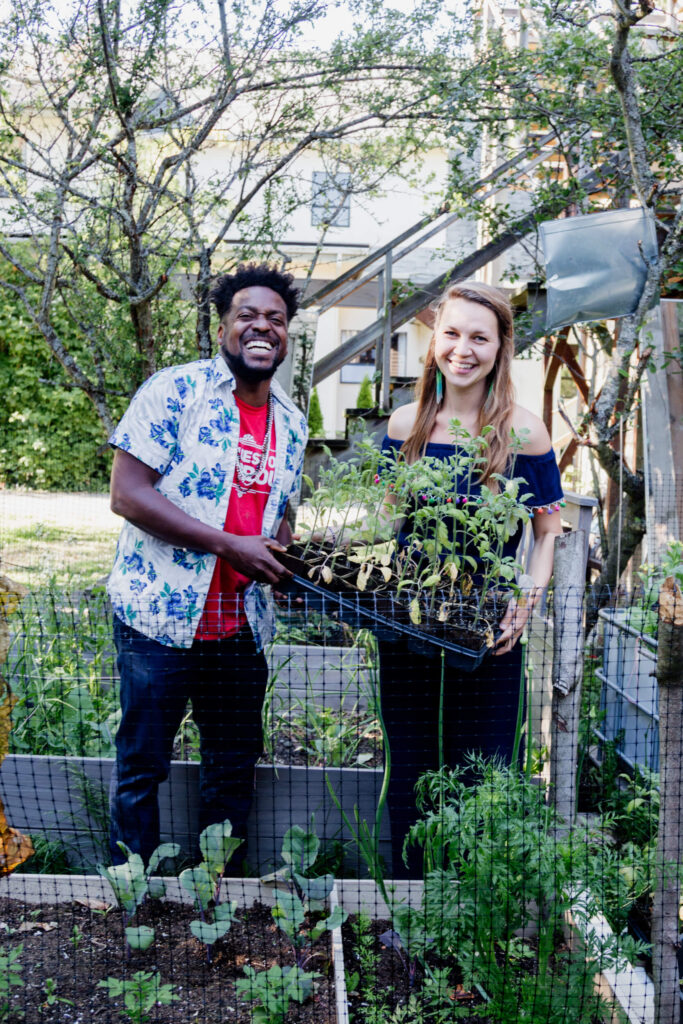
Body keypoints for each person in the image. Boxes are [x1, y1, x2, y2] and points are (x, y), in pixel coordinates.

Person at [106, 262, 308, 866]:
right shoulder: (175, 392)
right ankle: (132, 892)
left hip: (240, 626)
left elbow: (274, 512)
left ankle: (215, 892)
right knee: (143, 764)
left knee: (231, 768)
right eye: (247, 314)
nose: (261, 326)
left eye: (275, 318)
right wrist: (227, 544)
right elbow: (127, 494)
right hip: (158, 619)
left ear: (287, 335)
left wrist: (290, 556)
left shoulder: (292, 424)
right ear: (223, 327)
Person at [378, 280, 564, 877]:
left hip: (489, 626)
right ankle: (411, 892)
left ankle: (473, 898)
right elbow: (386, 524)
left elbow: (545, 533)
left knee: (483, 761)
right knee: (409, 758)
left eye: (479, 337)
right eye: (452, 333)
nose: (463, 348)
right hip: (408, 622)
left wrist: (525, 605)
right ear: (435, 344)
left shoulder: (523, 432)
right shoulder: (404, 424)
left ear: (500, 348)